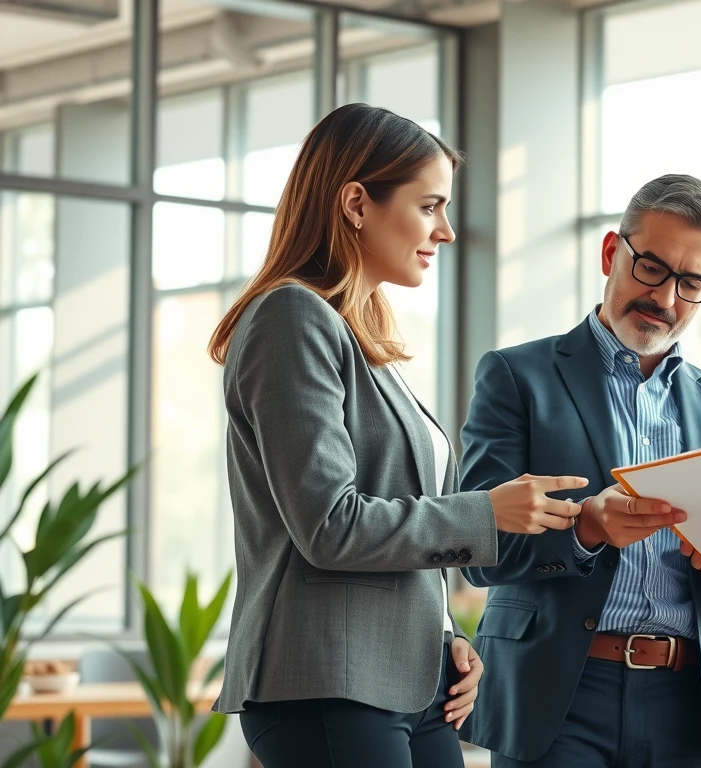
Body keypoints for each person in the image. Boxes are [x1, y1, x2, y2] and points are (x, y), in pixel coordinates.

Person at [208, 103, 588, 768]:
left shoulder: (359, 338)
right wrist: (487, 512)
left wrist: (442, 634)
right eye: (429, 205)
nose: (444, 230)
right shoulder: (292, 318)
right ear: (356, 202)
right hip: (327, 682)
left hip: (407, 682)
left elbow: (392, 518)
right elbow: (330, 524)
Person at [458, 174, 701, 768]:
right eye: (653, 269)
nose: (665, 299)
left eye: (691, 284)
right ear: (613, 252)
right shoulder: (517, 378)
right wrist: (585, 528)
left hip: (688, 701)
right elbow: (477, 547)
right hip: (559, 692)